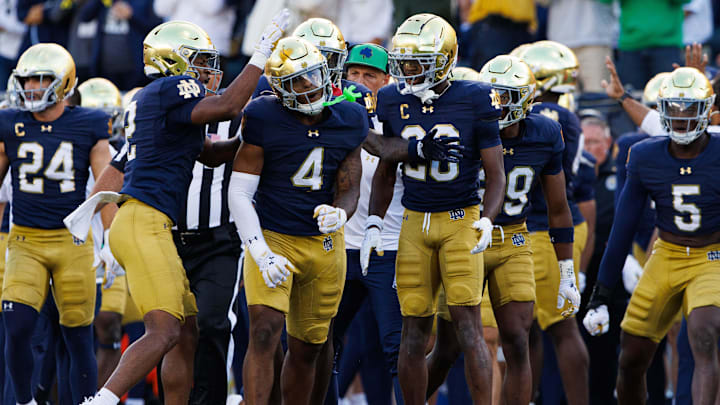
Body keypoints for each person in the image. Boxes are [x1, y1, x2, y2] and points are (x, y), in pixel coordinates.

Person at [75, 11, 291, 405]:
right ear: (172, 60)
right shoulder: (171, 88)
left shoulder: (154, 102)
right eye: (199, 60)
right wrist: (260, 53)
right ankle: (102, 400)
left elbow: (209, 154)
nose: (208, 69)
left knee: (187, 328)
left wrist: (252, 145)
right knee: (164, 331)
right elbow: (227, 106)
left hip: (150, 223)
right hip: (148, 222)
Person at [366, 13, 507, 405]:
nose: (409, 71)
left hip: (461, 219)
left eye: (418, 62)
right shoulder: (392, 97)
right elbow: (385, 167)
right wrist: (375, 221)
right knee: (412, 331)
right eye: (405, 62)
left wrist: (487, 219)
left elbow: (496, 173)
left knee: (468, 328)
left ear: (445, 59)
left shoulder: (475, 96)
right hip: (413, 222)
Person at [427, 55, 580, 405]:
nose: (499, 104)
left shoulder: (544, 132)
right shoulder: (465, 125)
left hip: (514, 237)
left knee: (516, 338)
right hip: (463, 238)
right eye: (494, 94)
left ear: (527, 99)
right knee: (447, 348)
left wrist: (567, 272)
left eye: (508, 95)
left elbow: (558, 208)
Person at [228, 36, 368, 405]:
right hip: (274, 235)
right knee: (263, 332)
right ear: (278, 89)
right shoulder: (262, 116)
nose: (309, 87)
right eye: (296, 82)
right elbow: (239, 192)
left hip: (323, 245)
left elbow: (350, 185)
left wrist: (341, 211)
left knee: (310, 347)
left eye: (313, 76)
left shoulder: (351, 115)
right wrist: (260, 253)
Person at [583, 67, 720, 405]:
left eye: (689, 109)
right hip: (667, 254)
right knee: (630, 358)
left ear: (708, 112)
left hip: (712, 256)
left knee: (703, 335)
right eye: (673, 108)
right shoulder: (646, 155)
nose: (681, 117)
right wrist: (600, 295)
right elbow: (622, 227)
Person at [0, 43, 114, 405]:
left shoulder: (90, 123)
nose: (32, 86)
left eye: (42, 78)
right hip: (25, 240)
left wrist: (110, 239)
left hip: (73, 241)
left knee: (77, 335)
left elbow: (107, 187)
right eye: (27, 78)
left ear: (63, 82)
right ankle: (24, 401)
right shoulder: (10, 123)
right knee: (16, 325)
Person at [328, 42, 404, 405]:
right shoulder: (331, 116)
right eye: (354, 74)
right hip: (341, 247)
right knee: (320, 339)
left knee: (398, 346)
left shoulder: (397, 120)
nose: (359, 81)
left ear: (386, 80)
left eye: (369, 75)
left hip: (388, 246)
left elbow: (389, 151)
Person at [515, 40, 590, 405]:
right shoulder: (568, 117)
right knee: (543, 328)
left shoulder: (537, 117)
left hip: (541, 228)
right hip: (561, 224)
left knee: (547, 328)